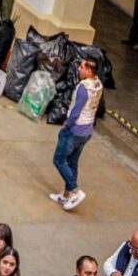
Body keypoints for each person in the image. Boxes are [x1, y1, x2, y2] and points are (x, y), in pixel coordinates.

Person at [51, 57, 103, 210]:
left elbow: (76, 112)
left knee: (59, 160)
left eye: (82, 67)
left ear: (88, 70)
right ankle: (66, 195)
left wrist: (66, 125)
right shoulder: (97, 84)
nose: (79, 69)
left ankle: (75, 190)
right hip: (86, 131)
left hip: (75, 130)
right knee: (72, 161)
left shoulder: (83, 88)